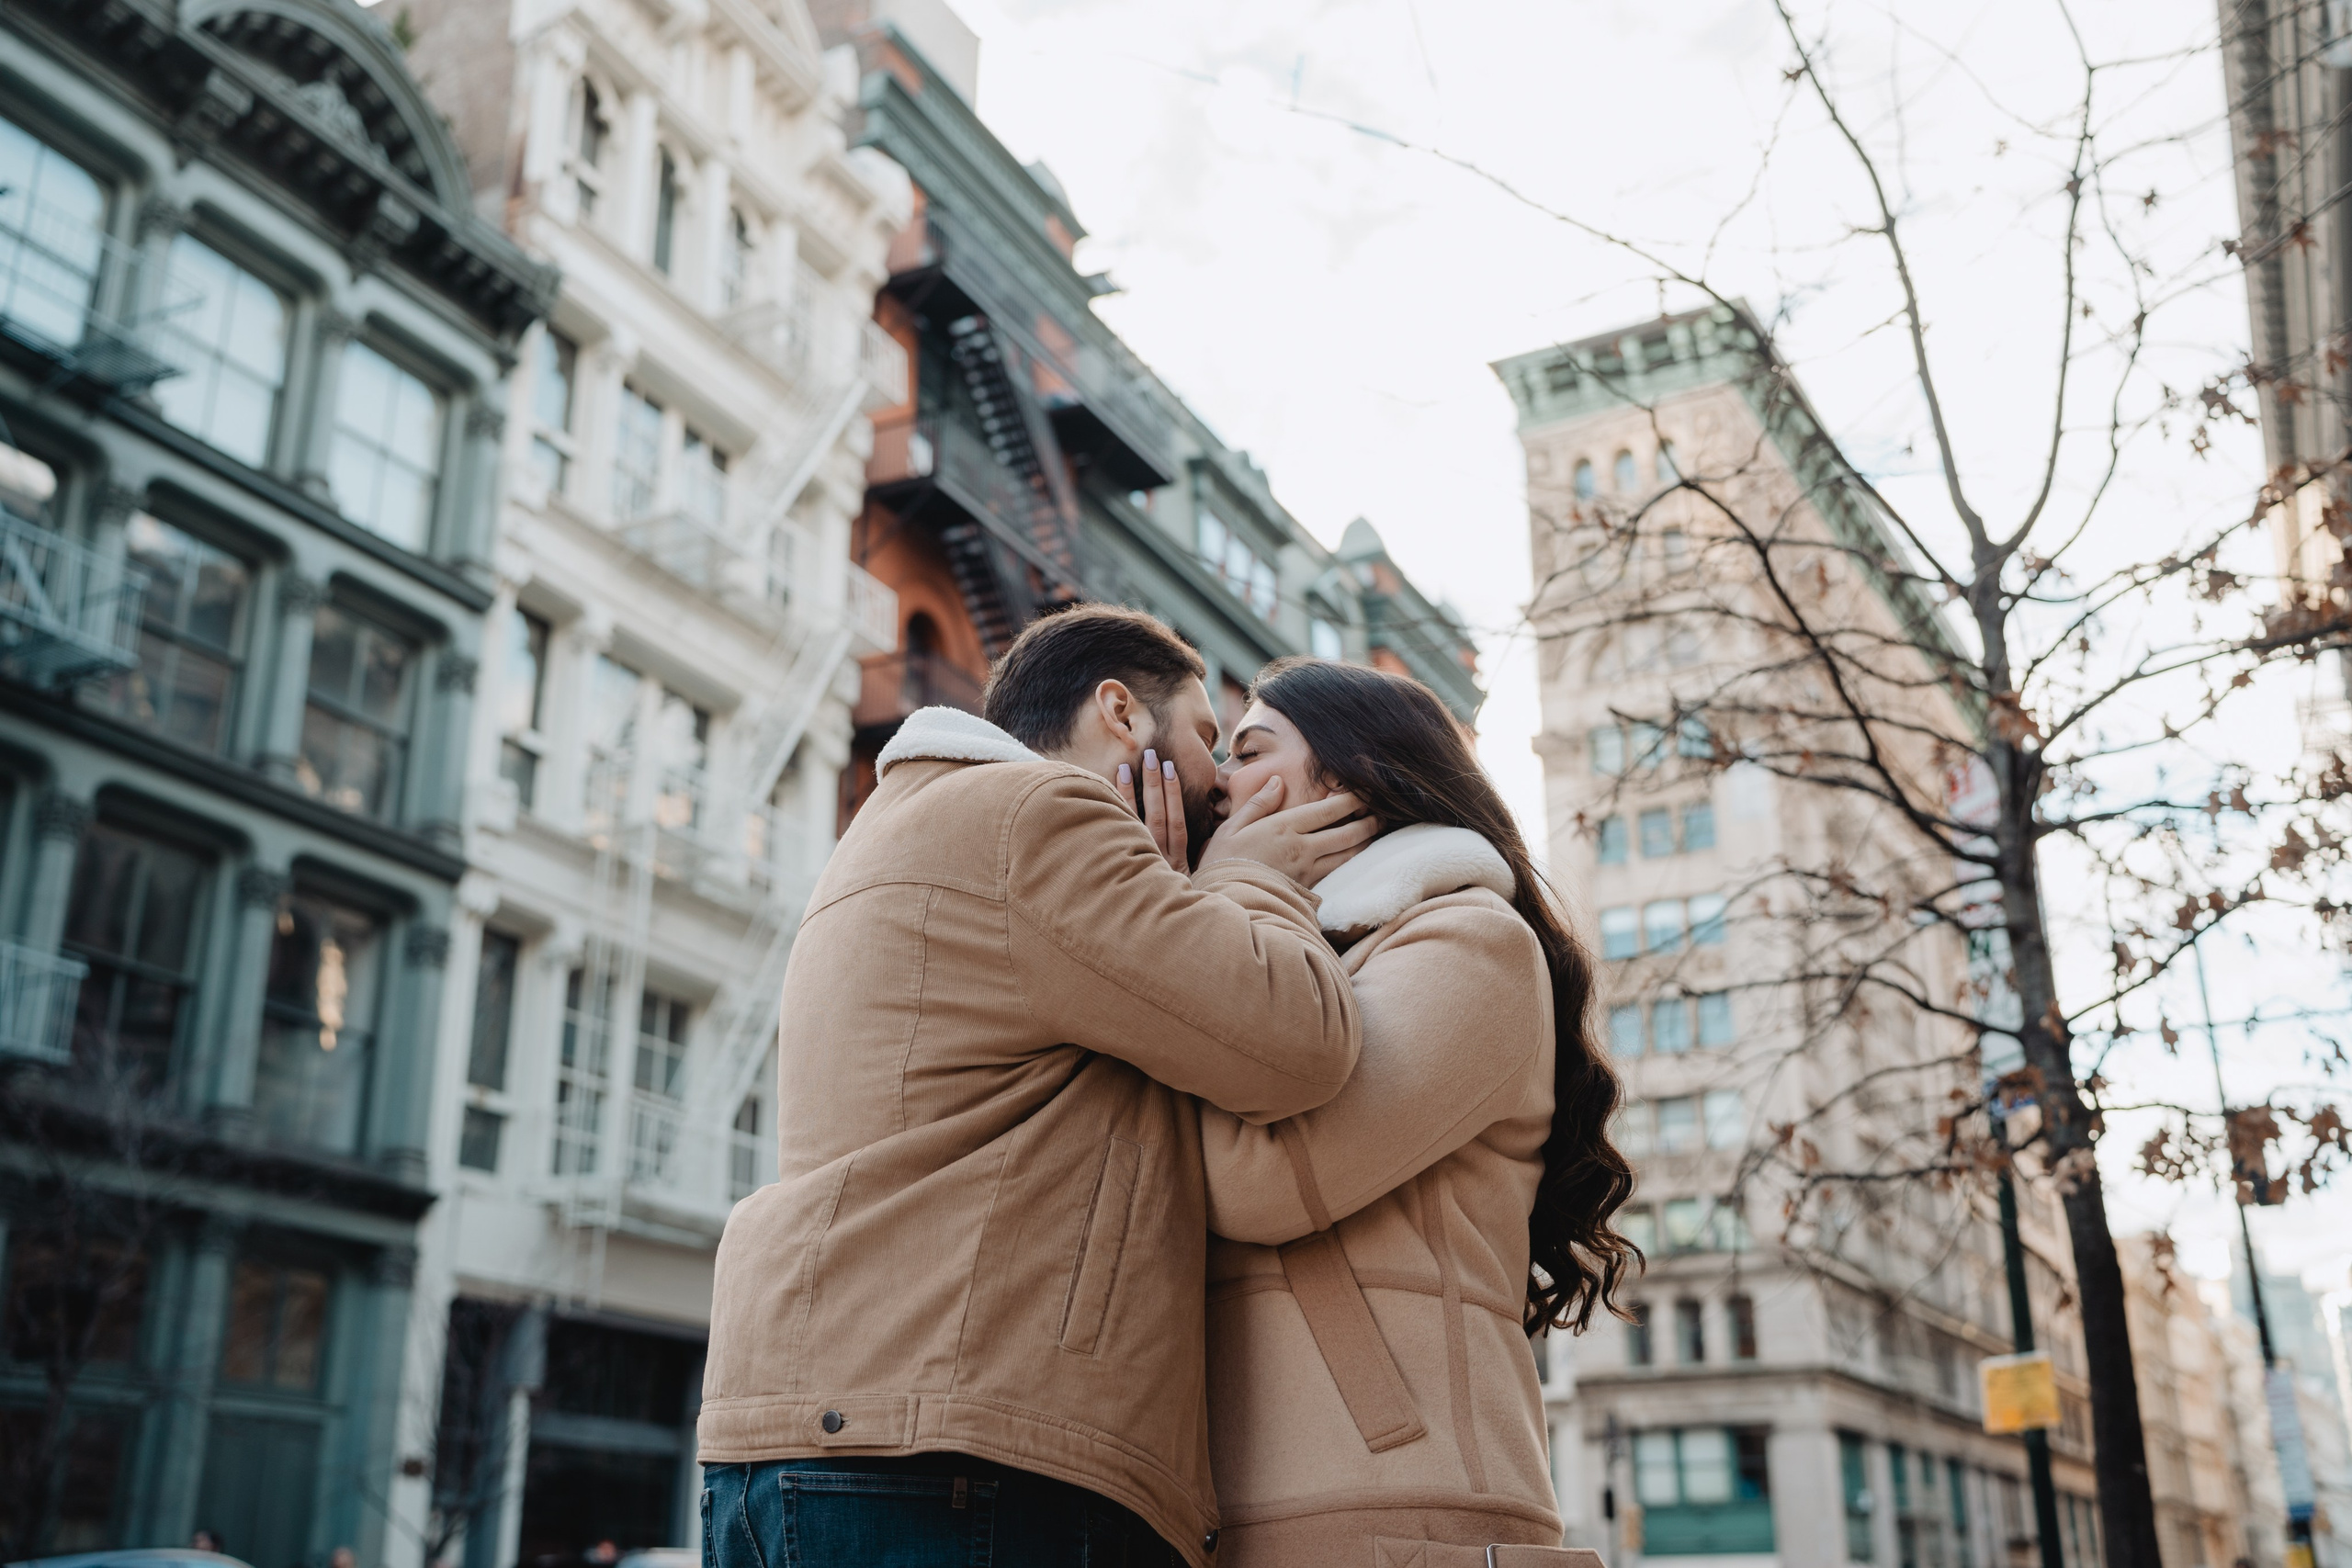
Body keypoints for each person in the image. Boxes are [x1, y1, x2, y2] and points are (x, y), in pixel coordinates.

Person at [699, 605, 1379, 1568]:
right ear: (1119, 713)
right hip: (954, 1455)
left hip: (827, 1432)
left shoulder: (904, 826)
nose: (1223, 786)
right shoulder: (1041, 815)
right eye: (1204, 738)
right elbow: (1296, 1044)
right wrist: (1245, 881)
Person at [1190, 658, 1636, 1566]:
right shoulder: (1305, 959)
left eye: (1247, 750)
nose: (1217, 783)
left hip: (1402, 1511)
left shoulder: (1470, 941)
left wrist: (1228, 897)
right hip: (1259, 1506)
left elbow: (1259, 1182)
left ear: (1350, 782)